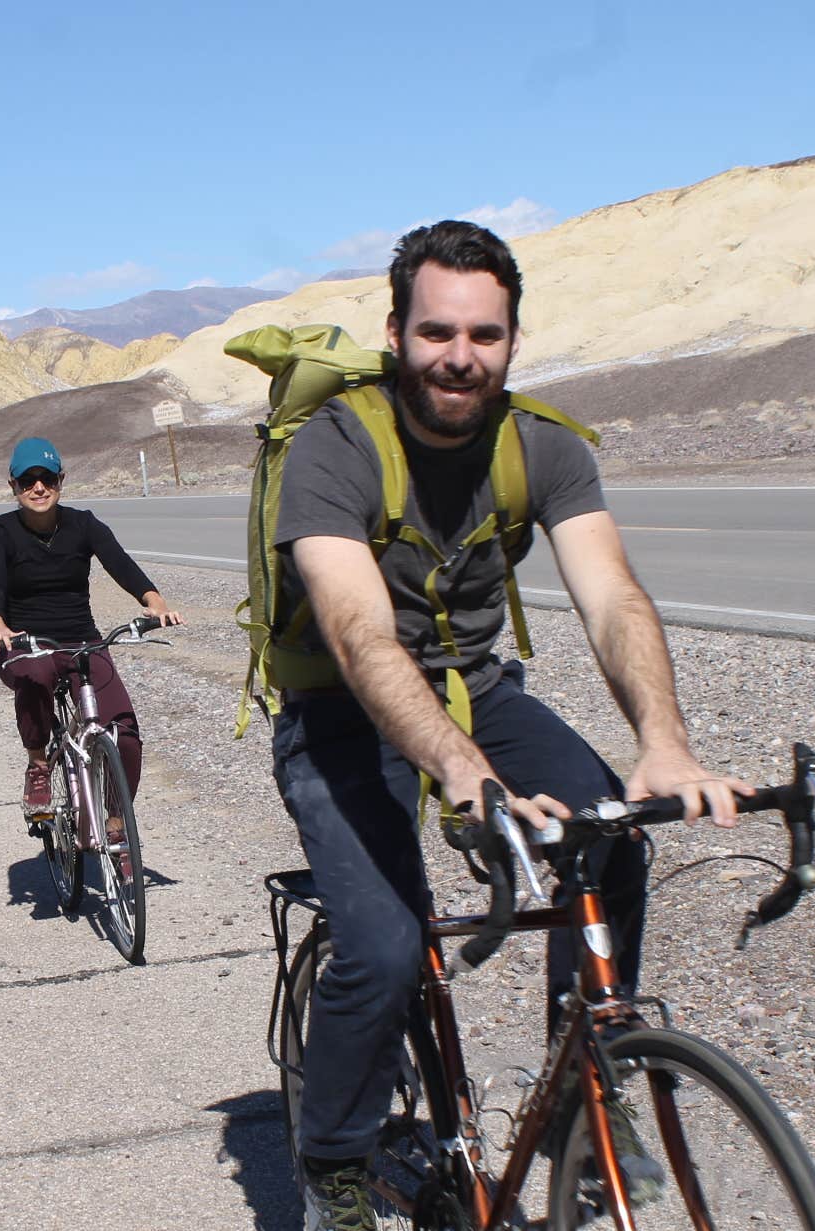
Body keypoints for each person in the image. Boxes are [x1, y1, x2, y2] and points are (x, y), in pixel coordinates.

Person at [271, 221, 748, 1229]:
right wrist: (460, 769)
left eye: (484, 334)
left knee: (609, 840)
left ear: (514, 339)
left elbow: (613, 597)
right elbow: (357, 635)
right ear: (396, 331)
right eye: (437, 330)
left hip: (478, 689)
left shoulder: (543, 445)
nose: (460, 355)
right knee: (389, 945)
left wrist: (663, 742)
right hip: (341, 712)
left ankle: (586, 1095)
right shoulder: (335, 448)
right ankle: (335, 1165)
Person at [0, 437, 183, 823]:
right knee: (37, 677)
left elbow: (120, 564)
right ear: (13, 486)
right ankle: (39, 765)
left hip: (82, 641)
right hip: (25, 644)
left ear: (61, 479)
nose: (38, 487)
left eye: (47, 478)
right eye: (27, 480)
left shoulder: (83, 524)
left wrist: (153, 602)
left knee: (124, 735)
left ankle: (117, 824)